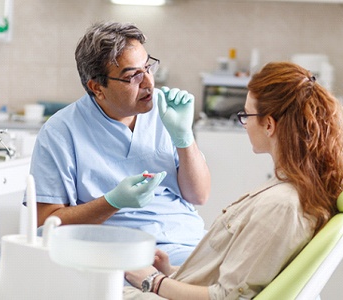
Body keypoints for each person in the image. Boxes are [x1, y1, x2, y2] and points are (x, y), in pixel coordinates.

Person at [123, 61, 343, 299]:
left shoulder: (281, 205)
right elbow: (237, 275)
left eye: (246, 115)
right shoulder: (293, 191)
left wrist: (153, 281)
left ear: (269, 124)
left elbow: (226, 297)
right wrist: (172, 272)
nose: (244, 124)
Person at [28, 21, 211, 267]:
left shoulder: (165, 110)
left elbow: (199, 195)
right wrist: (113, 202)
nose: (148, 82)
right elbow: (46, 224)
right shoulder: (61, 132)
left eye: (148, 67)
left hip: (188, 244)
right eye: (133, 75)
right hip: (118, 254)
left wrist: (184, 138)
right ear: (97, 87)